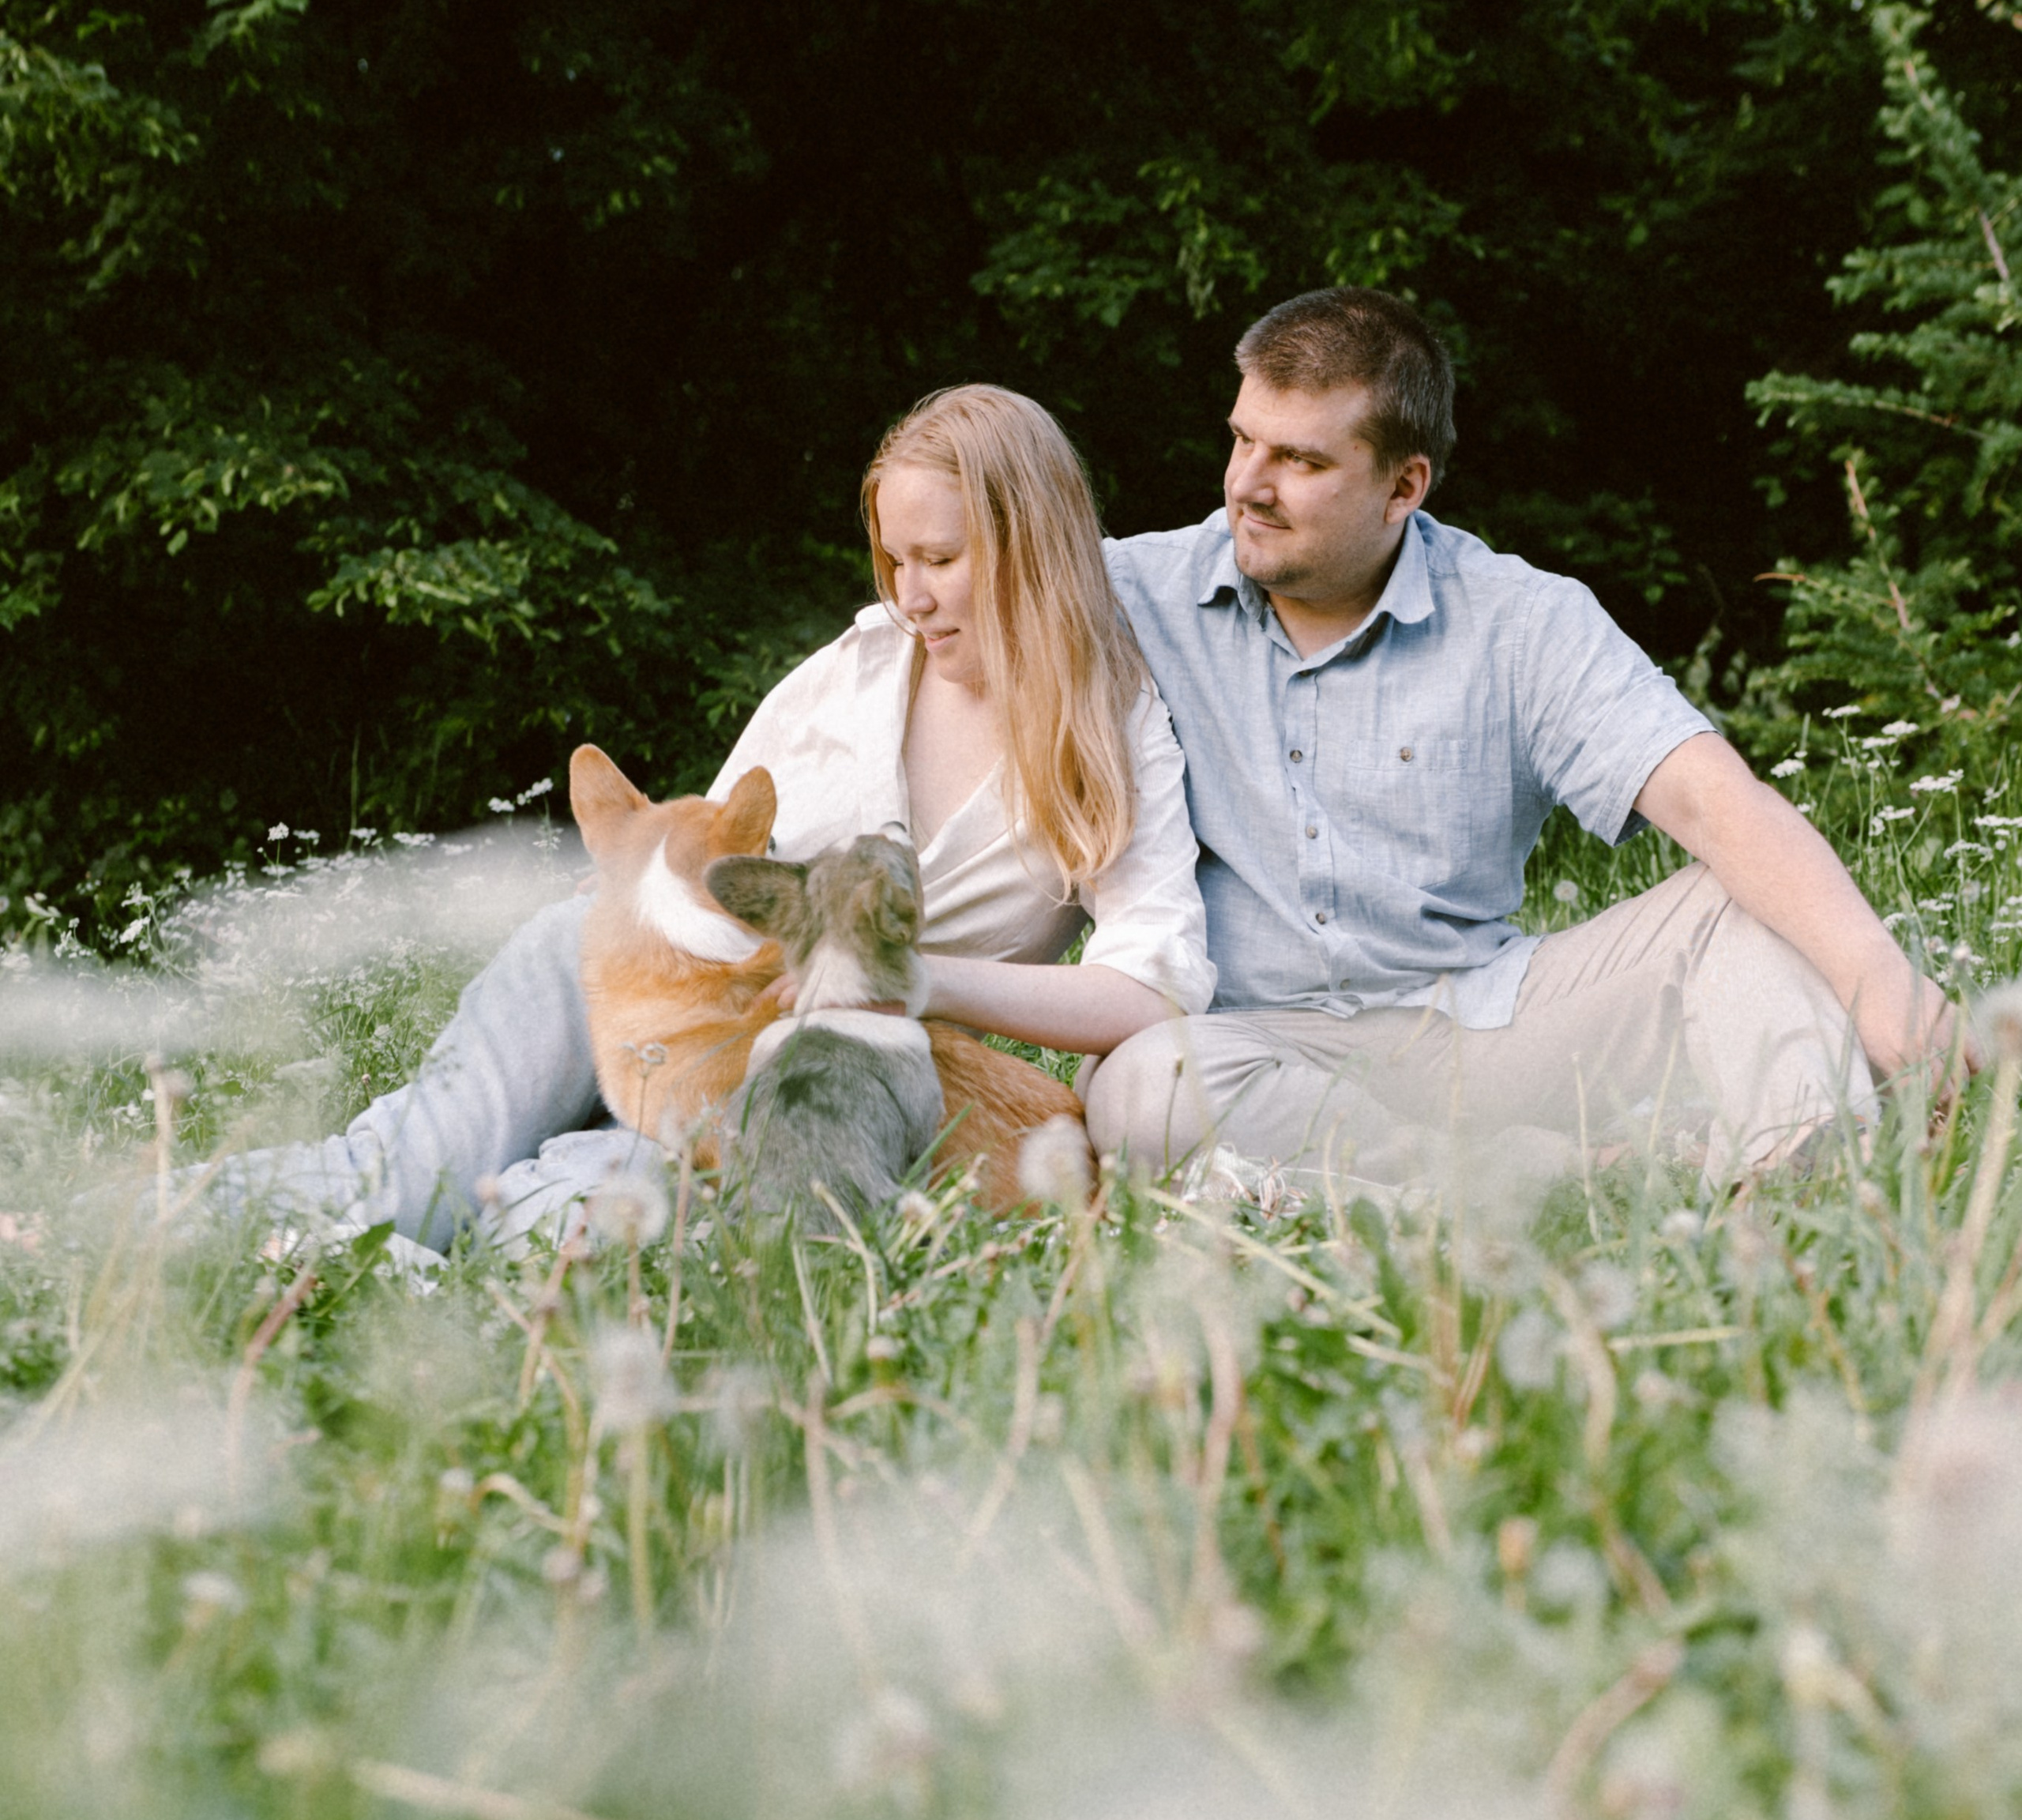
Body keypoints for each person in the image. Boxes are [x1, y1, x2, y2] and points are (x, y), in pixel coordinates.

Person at [220, 386, 1211, 1253]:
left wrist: (911, 982)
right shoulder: (853, 670)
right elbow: (704, 841)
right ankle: (117, 1228)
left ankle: (378, 1287)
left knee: (581, 1219)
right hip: (609, 967)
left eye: (941, 559)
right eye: (894, 560)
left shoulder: (1112, 738)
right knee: (412, 1173)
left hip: (765, 1081)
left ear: (1027, 547)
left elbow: (1147, 992)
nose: (911, 596)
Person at [1078, 284, 1959, 1195]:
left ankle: (1808, 1187)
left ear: (1402, 486)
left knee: (1737, 908)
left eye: (1299, 460)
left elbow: (1710, 798)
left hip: (1489, 1028)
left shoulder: (1517, 618)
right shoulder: (1125, 596)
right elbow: (932, 604)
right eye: (1241, 439)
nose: (1246, 487)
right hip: (1254, 1041)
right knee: (1141, 1085)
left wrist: (1885, 987)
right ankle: (1576, 1175)